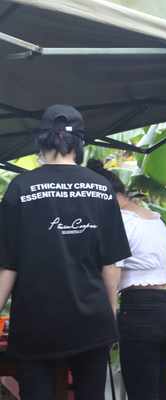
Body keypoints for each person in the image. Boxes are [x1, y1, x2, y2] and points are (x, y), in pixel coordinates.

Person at [0, 105, 130, 400]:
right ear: (79, 143)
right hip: (91, 321)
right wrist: (110, 312)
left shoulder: (20, 188)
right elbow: (111, 263)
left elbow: (8, 265)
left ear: (41, 140)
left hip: (36, 321)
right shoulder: (101, 188)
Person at [87, 160, 166, 400]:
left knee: (142, 393)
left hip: (142, 312)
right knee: (160, 394)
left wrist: (111, 313)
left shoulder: (119, 220)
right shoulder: (153, 218)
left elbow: (112, 268)